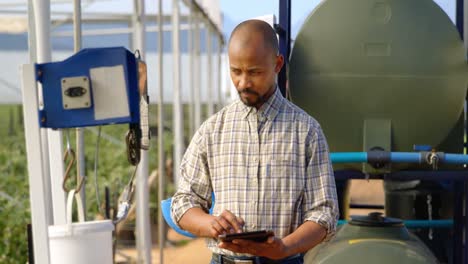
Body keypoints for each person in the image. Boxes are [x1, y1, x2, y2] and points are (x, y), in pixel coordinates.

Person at [171, 19, 338, 264]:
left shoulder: (306, 131)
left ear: (277, 64)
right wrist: (212, 224)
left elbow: (325, 213)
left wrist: (284, 248)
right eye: (235, 71)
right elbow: (183, 202)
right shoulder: (212, 130)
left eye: (255, 72)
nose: (243, 83)